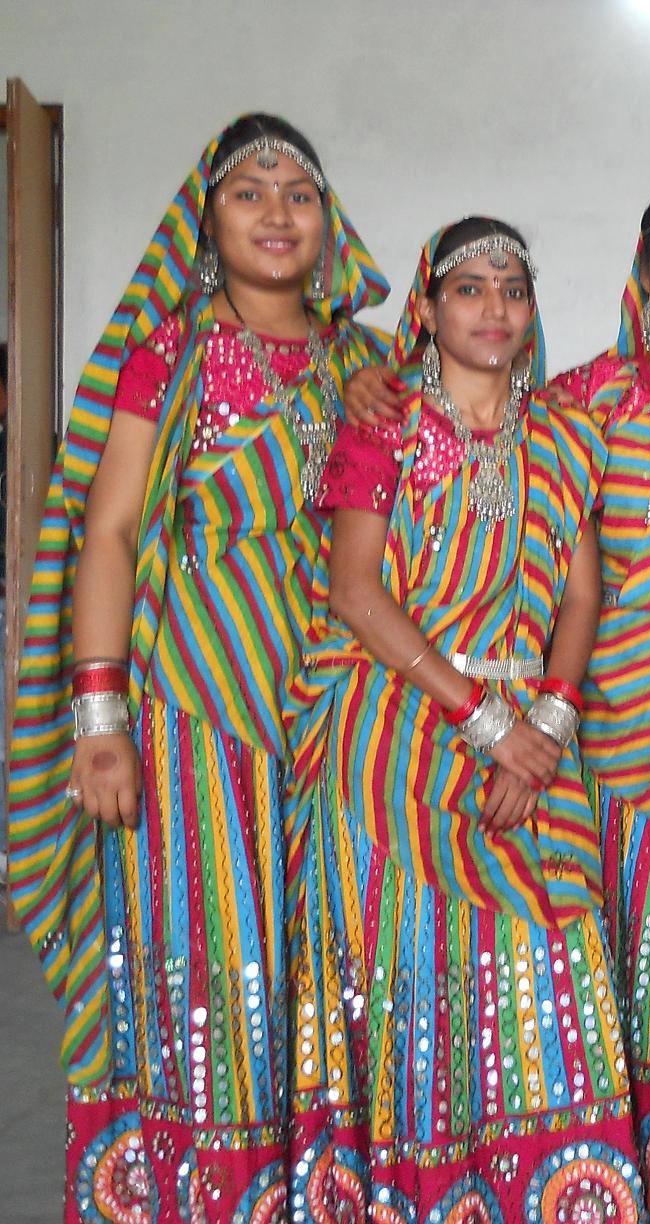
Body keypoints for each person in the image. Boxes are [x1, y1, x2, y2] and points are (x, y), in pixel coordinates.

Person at [6, 114, 389, 1220]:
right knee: (211, 953)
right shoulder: (167, 353)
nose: (277, 214)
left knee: (331, 954)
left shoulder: (362, 361)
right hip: (195, 701)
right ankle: (208, 1194)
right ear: (205, 219)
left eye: (299, 194)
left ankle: (319, 1192)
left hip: (331, 698)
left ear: (328, 222)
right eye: (248, 193)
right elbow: (112, 532)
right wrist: (99, 721)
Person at [287, 217, 641, 1218]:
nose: (495, 308)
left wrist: (548, 731)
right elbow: (356, 592)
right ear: (429, 306)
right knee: (407, 981)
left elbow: (581, 597)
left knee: (549, 986)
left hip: (533, 736)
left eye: (513, 289)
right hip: (395, 743)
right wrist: (489, 727)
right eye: (470, 288)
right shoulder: (384, 423)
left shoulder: (567, 436)